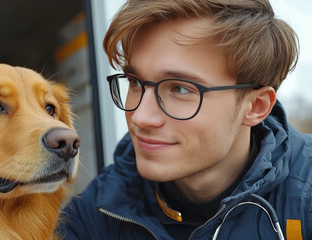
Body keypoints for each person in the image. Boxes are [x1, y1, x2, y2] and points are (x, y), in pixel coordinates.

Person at [58, 0, 312, 239]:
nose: (140, 117)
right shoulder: (95, 214)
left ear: (256, 107)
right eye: (135, 82)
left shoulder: (304, 198)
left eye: (179, 89)